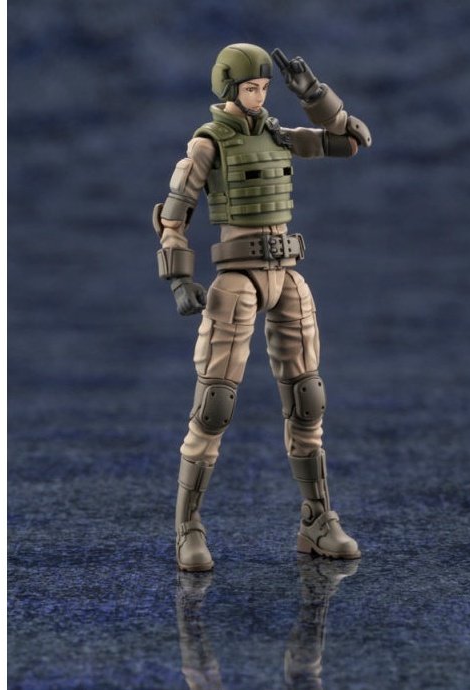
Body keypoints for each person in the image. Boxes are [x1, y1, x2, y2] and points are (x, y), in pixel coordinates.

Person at [153, 43, 372, 571]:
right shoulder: (208, 143)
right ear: (229, 88)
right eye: (251, 88)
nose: (259, 95)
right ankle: (188, 527)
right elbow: (173, 217)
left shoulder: (279, 134)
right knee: (214, 404)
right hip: (237, 278)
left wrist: (314, 96)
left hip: (287, 275)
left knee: (308, 400)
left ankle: (317, 520)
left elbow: (348, 141)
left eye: (265, 88)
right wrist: (179, 279)